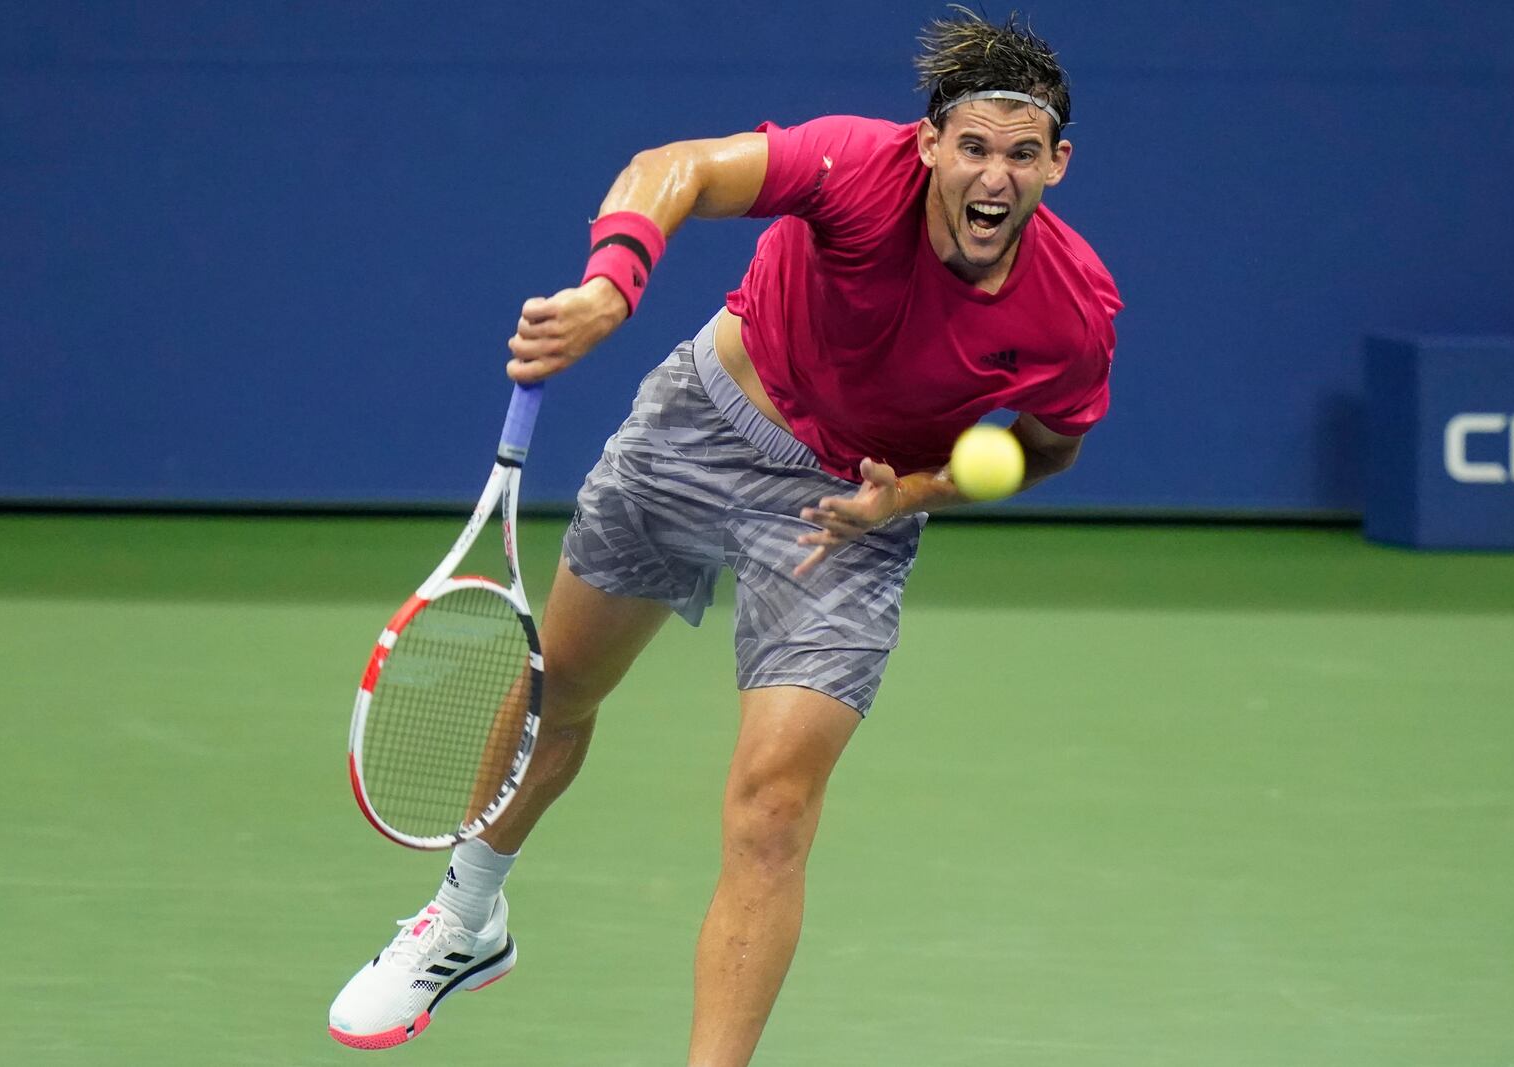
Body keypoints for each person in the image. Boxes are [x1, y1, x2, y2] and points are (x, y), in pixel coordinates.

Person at [328, 8, 1121, 1063]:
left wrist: (919, 493)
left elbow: (1046, 448)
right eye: (973, 146)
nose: (994, 177)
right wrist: (612, 288)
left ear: (1057, 164)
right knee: (557, 692)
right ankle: (465, 918)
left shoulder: (1071, 308)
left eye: (1022, 155)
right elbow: (680, 167)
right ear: (929, 142)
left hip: (847, 514)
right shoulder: (849, 163)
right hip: (703, 425)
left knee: (772, 807)